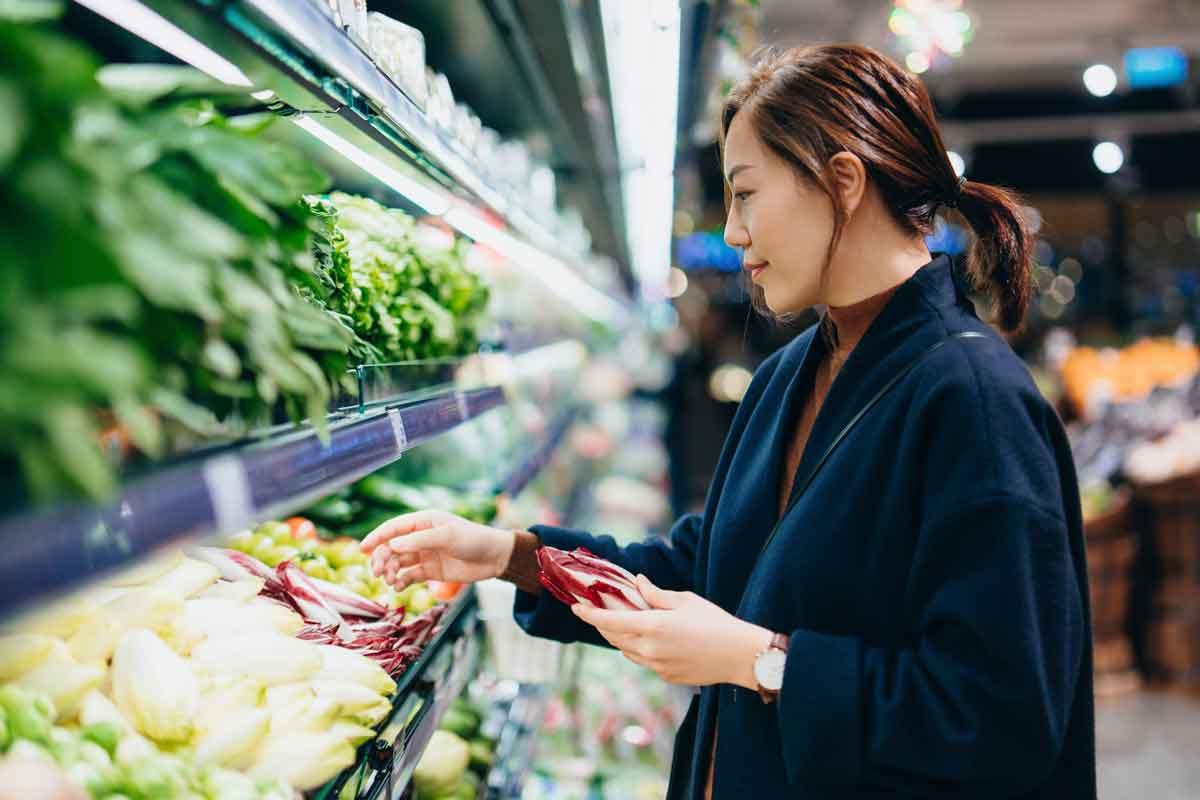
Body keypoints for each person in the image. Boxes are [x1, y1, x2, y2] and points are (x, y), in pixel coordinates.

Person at [361, 43, 1096, 799]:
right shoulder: (789, 376)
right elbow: (706, 573)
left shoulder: (972, 400)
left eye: (745, 194)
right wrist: (508, 556)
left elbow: (1001, 718)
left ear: (842, 182)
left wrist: (762, 661)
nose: (733, 233)